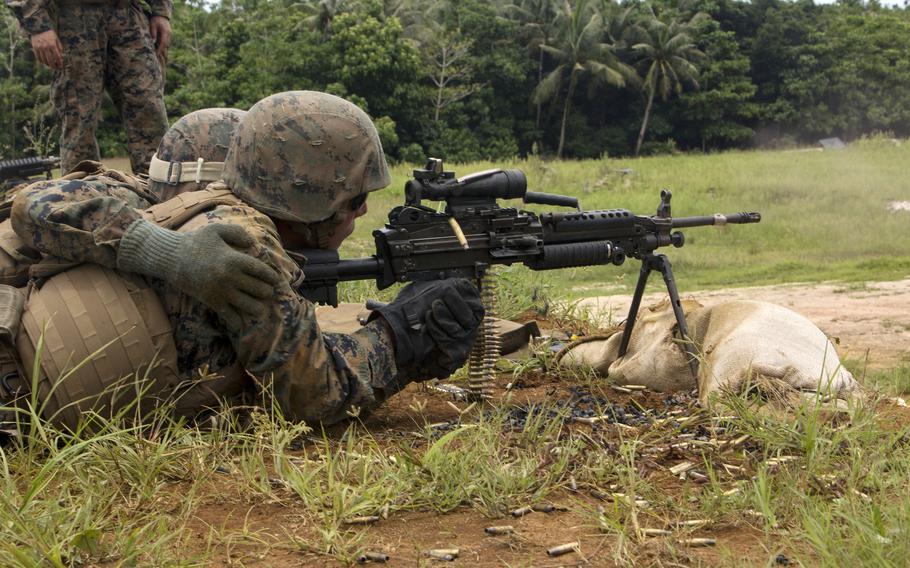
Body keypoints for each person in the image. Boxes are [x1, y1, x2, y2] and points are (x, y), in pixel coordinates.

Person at [9, 91, 484, 427]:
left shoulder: (185, 209)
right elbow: (313, 394)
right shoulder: (243, 246)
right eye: (353, 199)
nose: (362, 209)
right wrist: (401, 337)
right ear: (310, 201)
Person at [5, 0, 171, 175]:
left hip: (129, 14)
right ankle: (83, 196)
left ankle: (163, 192)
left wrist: (161, 11)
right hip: (73, 18)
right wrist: (37, 23)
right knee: (79, 118)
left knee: (149, 108)